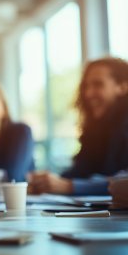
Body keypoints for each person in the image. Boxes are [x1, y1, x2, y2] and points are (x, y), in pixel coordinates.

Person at [29, 57, 128, 195]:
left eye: (98, 85)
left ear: (123, 87)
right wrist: (46, 182)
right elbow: (81, 171)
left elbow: (124, 182)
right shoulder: (97, 130)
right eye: (86, 86)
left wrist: (69, 186)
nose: (88, 93)